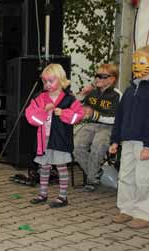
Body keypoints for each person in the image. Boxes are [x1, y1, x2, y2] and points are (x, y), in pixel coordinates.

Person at [25, 64, 84, 208]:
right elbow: (30, 116)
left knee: (61, 166)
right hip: (43, 140)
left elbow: (79, 115)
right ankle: (43, 194)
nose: (48, 84)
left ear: (61, 79)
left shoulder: (69, 99)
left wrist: (63, 113)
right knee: (44, 167)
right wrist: (44, 111)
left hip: (60, 140)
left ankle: (63, 197)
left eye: (51, 80)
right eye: (45, 81)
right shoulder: (40, 98)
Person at [109, 45, 149, 229]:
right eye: (134, 62)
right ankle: (126, 209)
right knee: (126, 176)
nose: (136, 65)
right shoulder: (129, 89)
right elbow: (120, 116)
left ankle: (143, 212)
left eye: (141, 61)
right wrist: (115, 140)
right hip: (128, 140)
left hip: (143, 142)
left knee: (143, 178)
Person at [73, 64, 121, 192]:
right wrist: (83, 93)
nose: (97, 78)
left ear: (112, 79)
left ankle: (91, 180)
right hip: (90, 124)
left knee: (97, 146)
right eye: (97, 75)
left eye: (102, 76)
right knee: (76, 146)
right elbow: (75, 107)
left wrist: (95, 115)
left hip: (108, 127)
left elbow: (116, 119)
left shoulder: (116, 95)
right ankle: (96, 173)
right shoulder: (92, 92)